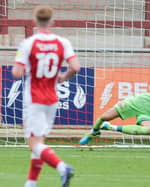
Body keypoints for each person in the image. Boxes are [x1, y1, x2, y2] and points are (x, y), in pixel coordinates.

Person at [12, 5, 80, 187]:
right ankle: (31, 183)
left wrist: (27, 65)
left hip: (34, 98)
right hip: (52, 98)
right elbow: (75, 67)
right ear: (52, 21)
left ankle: (62, 167)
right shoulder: (62, 42)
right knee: (39, 141)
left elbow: (16, 73)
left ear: (34, 21)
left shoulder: (29, 43)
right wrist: (63, 78)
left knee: (33, 143)